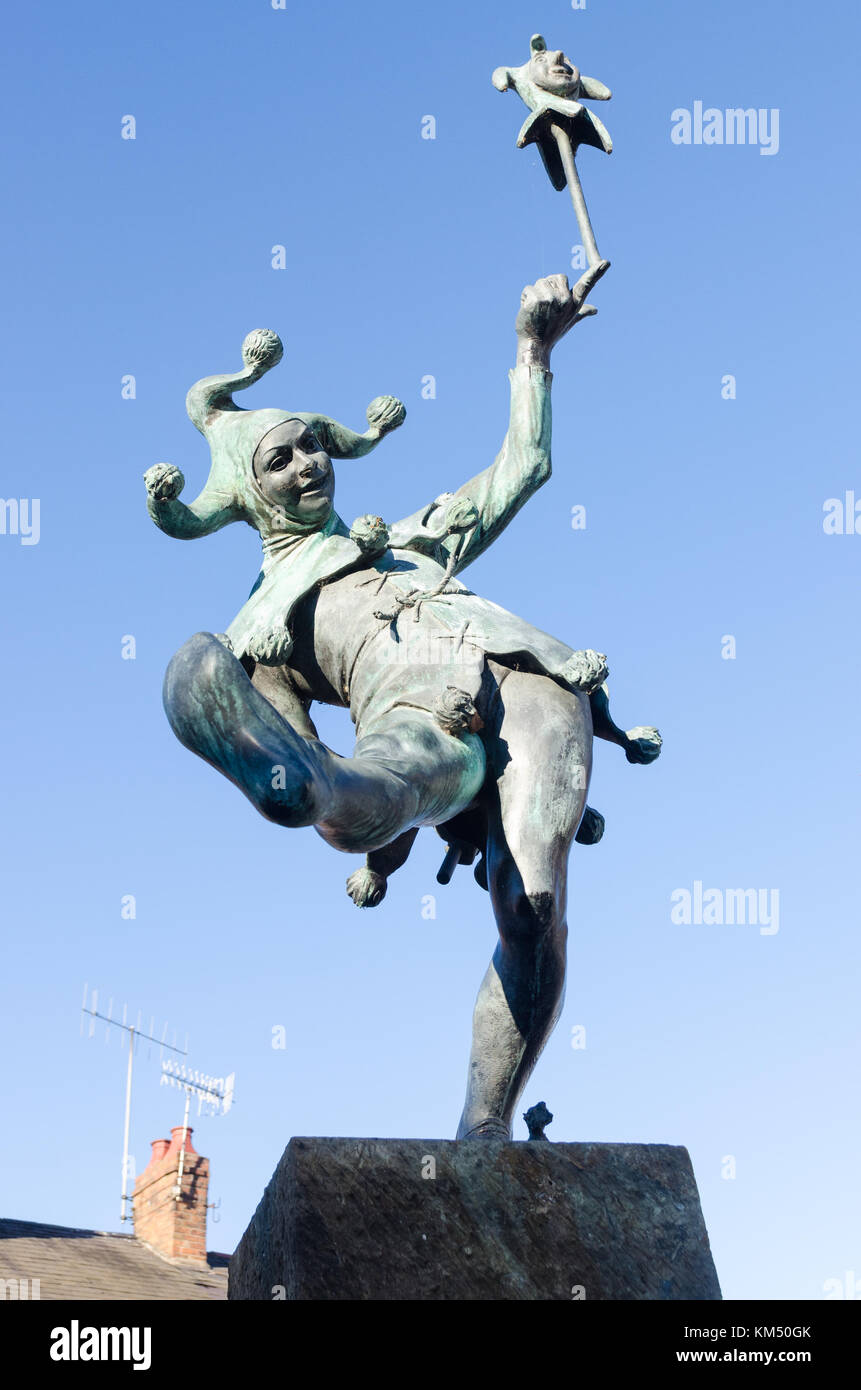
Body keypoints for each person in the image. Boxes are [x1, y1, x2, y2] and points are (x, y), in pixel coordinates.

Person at [146, 263, 660, 1139]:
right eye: (282, 457)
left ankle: (485, 1127)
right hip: (417, 724)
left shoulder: (416, 538)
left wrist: (531, 349)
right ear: (246, 492)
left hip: (532, 686)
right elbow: (290, 728)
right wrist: (301, 774)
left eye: (313, 444)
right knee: (347, 793)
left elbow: (523, 467)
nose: (309, 461)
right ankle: (334, 799)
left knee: (532, 907)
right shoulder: (266, 626)